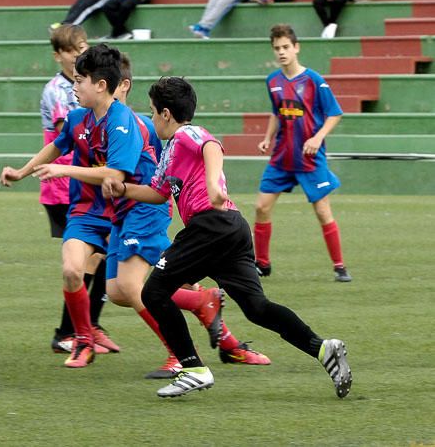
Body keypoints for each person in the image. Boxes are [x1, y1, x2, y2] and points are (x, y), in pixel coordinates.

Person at [101, 76, 353, 399]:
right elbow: (157, 192)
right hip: (231, 229)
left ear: (166, 114)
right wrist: (122, 188)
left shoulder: (186, 134)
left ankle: (192, 368)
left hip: (210, 225)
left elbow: (211, 146)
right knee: (256, 307)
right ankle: (323, 349)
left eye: (152, 112)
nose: (151, 119)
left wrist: (212, 185)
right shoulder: (169, 152)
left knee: (153, 292)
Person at [108, 54, 271, 378]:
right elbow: (157, 183)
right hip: (120, 212)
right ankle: (216, 327)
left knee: (141, 288)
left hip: (149, 215)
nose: (77, 88)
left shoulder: (138, 124)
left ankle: (182, 357)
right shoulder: (93, 120)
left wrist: (59, 170)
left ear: (118, 87)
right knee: (118, 290)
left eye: (83, 81)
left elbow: (202, 146)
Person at [40, 25, 121, 355]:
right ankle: (69, 332)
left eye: (82, 48)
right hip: (66, 187)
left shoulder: (85, 84)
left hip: (88, 185)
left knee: (100, 258)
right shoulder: (63, 92)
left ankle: (87, 328)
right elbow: (71, 138)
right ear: (58, 56)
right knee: (87, 261)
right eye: (72, 51)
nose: (78, 55)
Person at [253, 23, 351, 282]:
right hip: (283, 157)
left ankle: (339, 266)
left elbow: (335, 113)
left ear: (296, 48)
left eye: (286, 47)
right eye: (277, 48)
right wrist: (267, 138)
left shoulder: (314, 80)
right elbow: (276, 112)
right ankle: (262, 264)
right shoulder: (272, 80)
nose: (282, 52)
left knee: (322, 211)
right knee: (261, 207)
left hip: (309, 158)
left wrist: (318, 138)